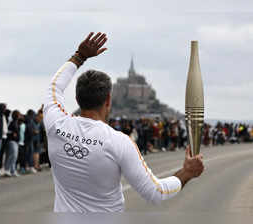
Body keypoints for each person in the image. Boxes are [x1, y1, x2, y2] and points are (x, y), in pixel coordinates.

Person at [43, 32, 204, 212]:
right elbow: (156, 192)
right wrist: (187, 173)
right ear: (108, 100)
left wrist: (79, 57)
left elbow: (54, 87)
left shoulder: (56, 124)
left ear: (77, 98)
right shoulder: (119, 142)